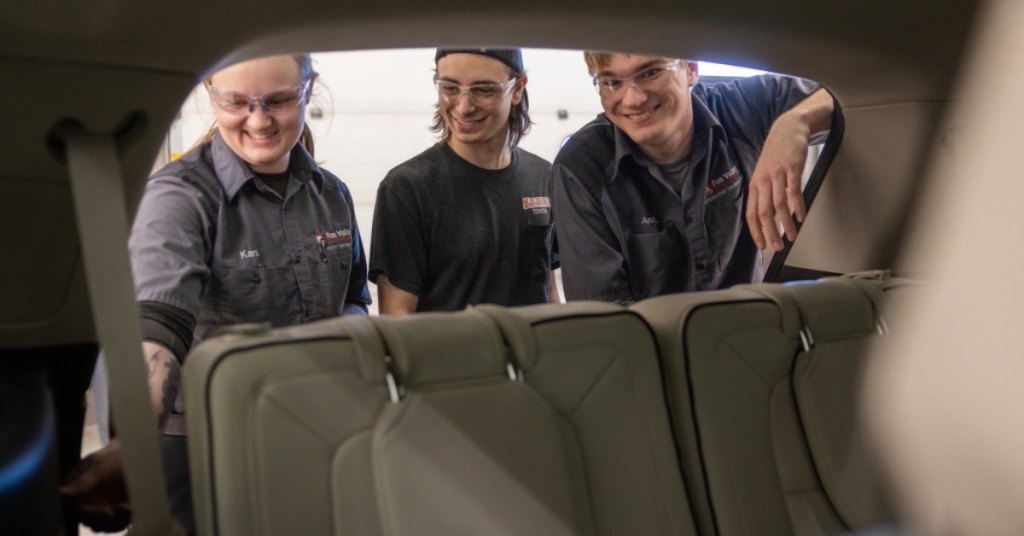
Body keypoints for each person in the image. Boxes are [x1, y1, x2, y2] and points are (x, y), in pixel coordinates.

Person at [60, 53, 371, 534]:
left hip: (308, 428)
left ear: (309, 91)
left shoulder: (332, 195)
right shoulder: (179, 198)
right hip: (201, 445)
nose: (259, 120)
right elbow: (158, 327)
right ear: (209, 93)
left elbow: (355, 299)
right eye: (237, 102)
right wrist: (134, 449)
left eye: (280, 101)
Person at [552, 53, 835, 303]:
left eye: (650, 72)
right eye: (612, 82)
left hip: (751, 337)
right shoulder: (581, 169)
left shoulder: (744, 109)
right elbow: (604, 320)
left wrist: (794, 122)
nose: (633, 99)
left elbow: (857, 92)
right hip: (651, 353)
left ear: (690, 68)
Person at [369, 48, 559, 314]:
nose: (463, 106)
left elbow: (548, 292)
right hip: (449, 356)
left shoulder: (543, 176)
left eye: (483, 90)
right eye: (449, 87)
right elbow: (397, 321)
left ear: (517, 89)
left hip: (532, 355)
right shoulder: (407, 189)